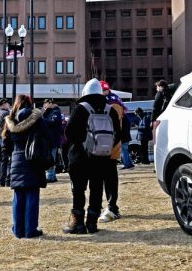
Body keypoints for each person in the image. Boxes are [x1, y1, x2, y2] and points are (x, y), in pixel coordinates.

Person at [62, 78, 122, 234]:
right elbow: (118, 134)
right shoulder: (110, 110)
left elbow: (68, 132)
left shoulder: (81, 108)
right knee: (96, 189)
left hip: (79, 157)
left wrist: (81, 144)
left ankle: (78, 224)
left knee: (78, 190)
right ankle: (92, 223)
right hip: (101, 158)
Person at [5, 94, 49, 238]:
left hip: (16, 159)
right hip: (33, 158)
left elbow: (5, 144)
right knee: (32, 195)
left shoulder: (10, 120)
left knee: (18, 197)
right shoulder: (37, 118)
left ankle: (18, 230)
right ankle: (30, 229)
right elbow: (47, 135)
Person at [99, 81, 131, 223]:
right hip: (101, 146)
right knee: (102, 177)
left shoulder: (113, 103)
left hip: (110, 146)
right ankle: (105, 206)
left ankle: (112, 207)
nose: (102, 93)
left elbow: (115, 127)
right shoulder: (107, 102)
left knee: (110, 176)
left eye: (104, 90)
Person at [42, 99, 63, 183]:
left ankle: (50, 176)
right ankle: (52, 175)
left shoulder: (55, 112)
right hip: (49, 139)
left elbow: (53, 122)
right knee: (50, 157)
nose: (44, 105)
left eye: (46, 103)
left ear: (50, 103)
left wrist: (43, 120)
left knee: (51, 158)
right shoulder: (48, 112)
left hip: (53, 139)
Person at [0, 99, 12, 186]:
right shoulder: (6, 114)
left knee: (3, 160)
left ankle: (2, 180)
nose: (9, 105)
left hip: (2, 139)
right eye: (8, 103)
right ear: (4, 104)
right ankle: (8, 179)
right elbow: (9, 127)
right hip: (8, 138)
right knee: (9, 160)